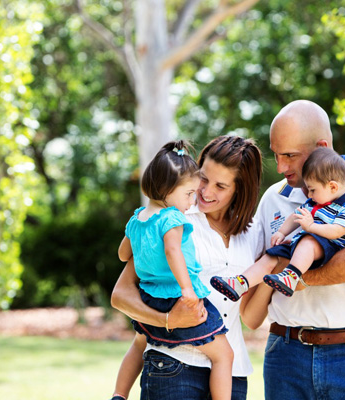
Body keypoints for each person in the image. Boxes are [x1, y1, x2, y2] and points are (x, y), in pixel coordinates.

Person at [240, 100, 345, 400]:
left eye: (290, 155)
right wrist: (271, 274)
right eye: (276, 155)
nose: (281, 168)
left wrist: (298, 278)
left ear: (322, 145)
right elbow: (251, 310)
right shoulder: (273, 198)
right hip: (284, 355)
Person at [110, 135, 264, 400]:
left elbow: (251, 317)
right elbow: (120, 295)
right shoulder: (172, 219)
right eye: (202, 179)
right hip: (174, 366)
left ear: (240, 189)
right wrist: (168, 321)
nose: (205, 192)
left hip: (232, 373)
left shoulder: (252, 233)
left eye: (221, 186)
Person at [210, 147, 345, 299]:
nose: (309, 195)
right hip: (306, 244)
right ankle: (241, 283)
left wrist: (311, 227)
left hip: (331, 248)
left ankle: (290, 277)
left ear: (333, 186)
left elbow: (337, 231)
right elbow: (295, 216)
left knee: (308, 241)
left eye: (313, 190)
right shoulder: (315, 203)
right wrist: (282, 232)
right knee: (272, 255)